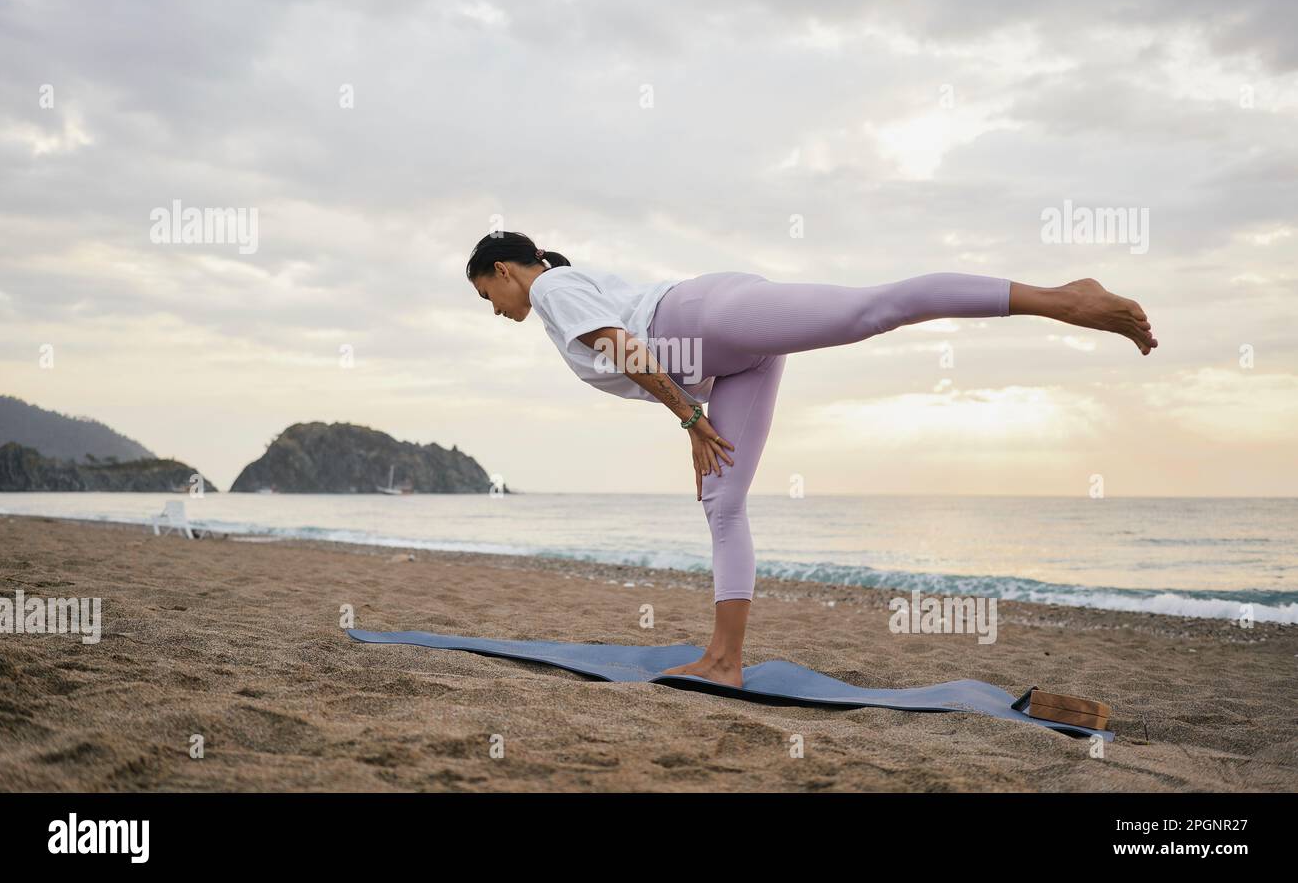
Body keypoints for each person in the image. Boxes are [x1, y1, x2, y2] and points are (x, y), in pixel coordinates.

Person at [466, 231, 1158, 688]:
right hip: (726, 360)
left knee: (871, 311)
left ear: (504, 271)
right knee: (722, 502)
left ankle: (1066, 298)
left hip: (709, 316)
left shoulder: (553, 289)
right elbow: (646, 356)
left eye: (485, 294)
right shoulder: (572, 287)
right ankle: (725, 660)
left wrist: (688, 416)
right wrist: (692, 417)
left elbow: (624, 344)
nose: (493, 309)